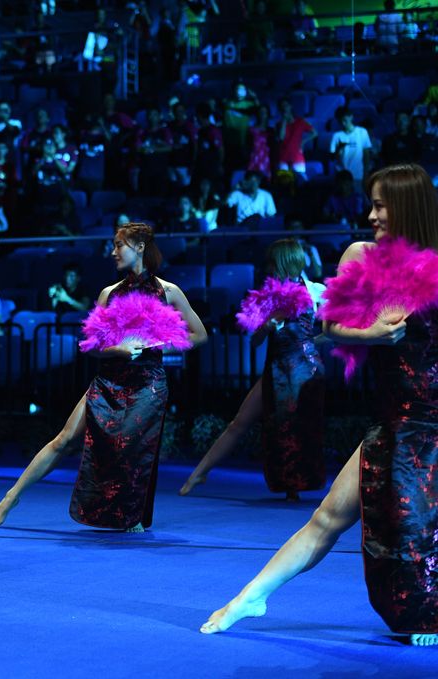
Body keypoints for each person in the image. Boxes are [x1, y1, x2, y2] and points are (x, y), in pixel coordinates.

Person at [199, 163, 438, 647]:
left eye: (380, 205)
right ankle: (248, 598)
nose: (371, 216)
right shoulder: (361, 255)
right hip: (396, 423)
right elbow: (330, 326)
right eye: (370, 205)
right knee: (327, 519)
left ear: (406, 205)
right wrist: (371, 334)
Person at [0, 223, 206, 531]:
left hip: (147, 384)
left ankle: (130, 514)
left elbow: (199, 335)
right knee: (64, 440)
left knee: (133, 450)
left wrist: (158, 344)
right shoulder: (109, 293)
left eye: (119, 245)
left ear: (140, 247)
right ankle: (11, 496)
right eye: (113, 246)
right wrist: (118, 349)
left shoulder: (169, 292)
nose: (113, 252)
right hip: (109, 380)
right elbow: (92, 347)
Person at [180, 239, 326, 500]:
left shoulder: (315, 291)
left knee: (298, 426)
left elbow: (335, 330)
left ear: (286, 263)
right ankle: (199, 473)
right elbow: (255, 341)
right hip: (276, 370)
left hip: (304, 370)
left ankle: (294, 486)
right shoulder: (267, 297)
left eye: (274, 264)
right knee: (240, 422)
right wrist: (267, 326)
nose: (270, 270)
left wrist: (310, 343)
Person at [330, 107, 373, 183]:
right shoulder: (336, 136)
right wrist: (339, 150)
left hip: (358, 176)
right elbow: (332, 157)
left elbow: (366, 155)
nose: (343, 123)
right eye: (340, 121)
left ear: (351, 117)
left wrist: (365, 175)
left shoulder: (362, 132)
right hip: (342, 177)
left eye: (345, 120)